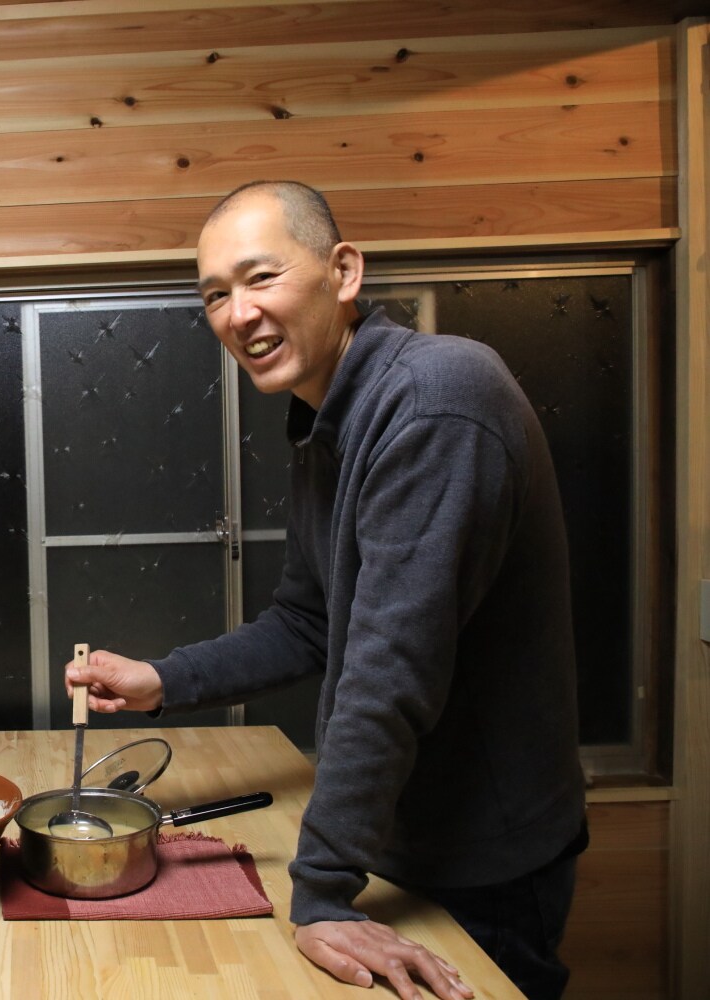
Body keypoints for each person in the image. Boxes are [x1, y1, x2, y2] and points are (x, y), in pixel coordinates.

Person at [67, 181, 587, 1000]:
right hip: (399, 835)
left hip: (485, 853)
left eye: (261, 277)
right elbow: (307, 621)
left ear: (343, 272)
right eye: (214, 295)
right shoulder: (329, 417)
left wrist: (320, 893)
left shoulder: (436, 400)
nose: (238, 314)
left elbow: (389, 671)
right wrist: (162, 680)